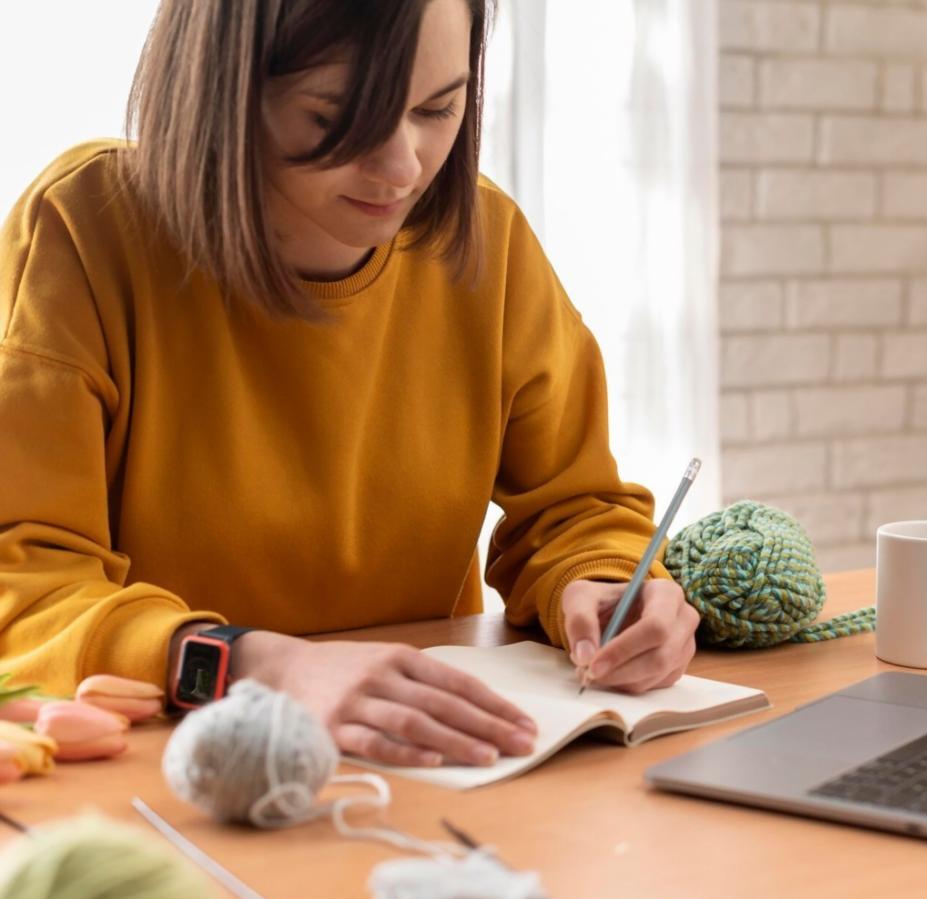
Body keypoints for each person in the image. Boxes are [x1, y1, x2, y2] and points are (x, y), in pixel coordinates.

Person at [0, 0, 701, 769]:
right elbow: (25, 590)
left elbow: (576, 507)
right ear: (224, 89)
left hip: (430, 763)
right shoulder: (82, 232)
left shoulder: (489, 245)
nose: (404, 167)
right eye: (338, 116)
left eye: (439, 108)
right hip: (165, 774)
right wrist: (261, 668)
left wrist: (601, 582)